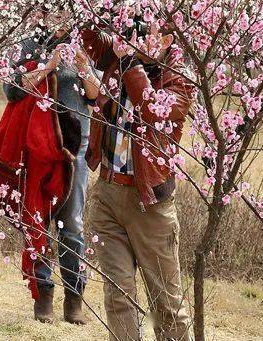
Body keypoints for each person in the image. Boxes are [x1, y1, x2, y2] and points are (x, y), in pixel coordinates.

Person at [81, 17, 194, 341]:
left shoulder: (179, 80)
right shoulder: (118, 59)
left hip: (150, 204)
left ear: (169, 39)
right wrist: (90, 2)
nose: (138, 36)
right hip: (108, 193)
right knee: (118, 296)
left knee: (167, 304)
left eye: (149, 32)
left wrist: (129, 60)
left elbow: (150, 108)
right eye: (136, 29)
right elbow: (90, 39)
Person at [3, 8, 101, 325]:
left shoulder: (86, 44)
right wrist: (48, 67)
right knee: (38, 219)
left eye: (65, 9)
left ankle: (75, 298)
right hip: (37, 145)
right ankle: (43, 295)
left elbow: (97, 96)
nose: (59, 15)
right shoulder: (29, 44)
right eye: (52, 9)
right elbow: (12, 89)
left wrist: (84, 68)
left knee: (72, 223)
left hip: (75, 147)